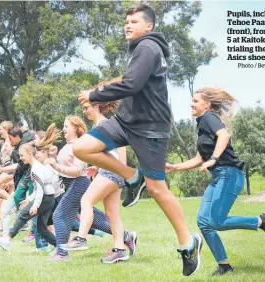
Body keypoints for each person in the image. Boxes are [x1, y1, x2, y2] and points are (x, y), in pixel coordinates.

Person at [74, 4, 202, 275]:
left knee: (158, 190)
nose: (127, 25)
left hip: (150, 129)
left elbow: (130, 85)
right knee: (82, 147)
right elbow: (129, 80)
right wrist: (99, 90)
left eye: (134, 21)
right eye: (126, 21)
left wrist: (95, 95)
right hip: (125, 121)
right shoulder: (141, 49)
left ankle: (189, 243)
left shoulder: (147, 48)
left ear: (149, 26)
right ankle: (133, 177)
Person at [165, 88, 265, 276]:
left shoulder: (209, 117)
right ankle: (224, 266)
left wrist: (214, 159)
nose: (191, 104)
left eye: (195, 101)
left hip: (229, 173)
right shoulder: (202, 124)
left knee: (217, 221)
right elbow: (199, 158)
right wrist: (174, 167)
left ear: (207, 105)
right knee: (204, 221)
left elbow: (224, 136)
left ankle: (262, 221)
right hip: (219, 176)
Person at [45, 116, 136, 263]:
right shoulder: (70, 145)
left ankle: (62, 252)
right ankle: (125, 237)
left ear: (75, 128)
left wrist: (55, 165)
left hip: (78, 183)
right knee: (97, 218)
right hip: (72, 184)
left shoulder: (81, 144)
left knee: (59, 215)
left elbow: (78, 169)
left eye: (66, 126)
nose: (64, 129)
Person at [61, 80, 132, 263]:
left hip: (112, 173)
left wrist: (122, 172)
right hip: (111, 172)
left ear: (96, 106)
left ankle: (81, 238)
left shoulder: (106, 124)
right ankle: (119, 249)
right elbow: (106, 153)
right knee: (111, 212)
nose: (84, 111)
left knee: (86, 200)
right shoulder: (98, 127)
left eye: (86, 108)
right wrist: (96, 166)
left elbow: (121, 148)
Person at [0, 138, 58, 251]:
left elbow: (40, 189)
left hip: (45, 198)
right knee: (42, 228)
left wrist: (35, 205)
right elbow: (39, 188)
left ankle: (7, 239)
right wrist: (29, 199)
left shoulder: (36, 169)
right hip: (48, 198)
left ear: (29, 154)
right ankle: (61, 247)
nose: (21, 158)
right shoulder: (36, 167)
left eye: (22, 155)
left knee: (22, 214)